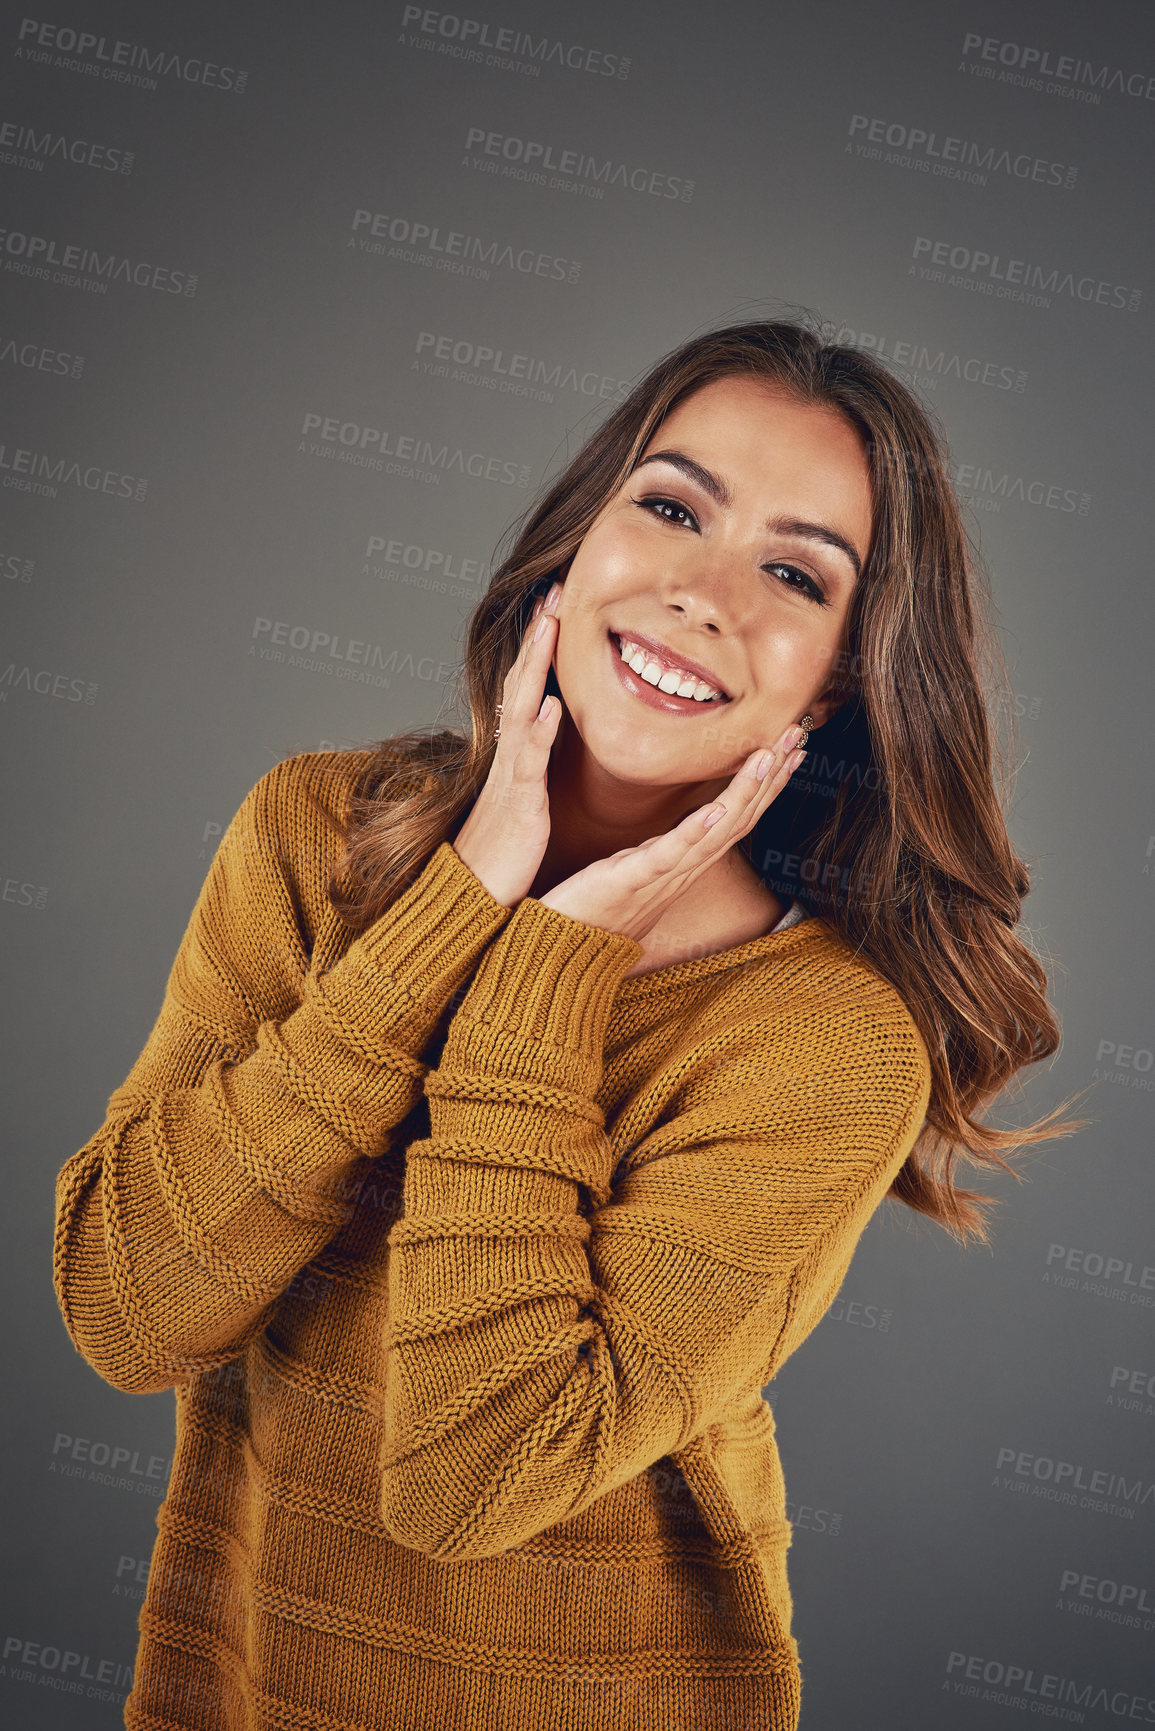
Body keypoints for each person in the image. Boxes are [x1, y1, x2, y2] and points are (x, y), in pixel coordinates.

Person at [53, 319, 1087, 1730]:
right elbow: (129, 1310)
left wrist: (547, 967)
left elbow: (471, 1477)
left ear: (839, 677)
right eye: (669, 507)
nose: (699, 593)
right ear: (576, 545)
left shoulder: (827, 1044)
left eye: (793, 573)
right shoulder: (314, 834)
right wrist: (453, 907)